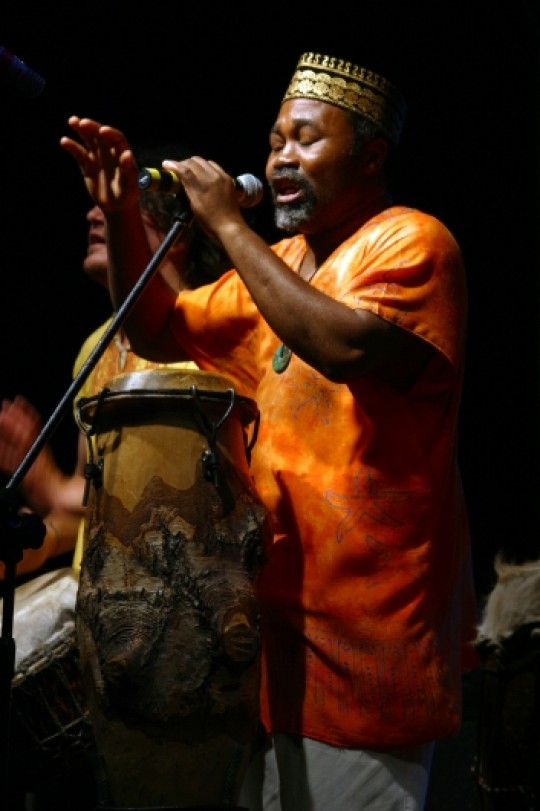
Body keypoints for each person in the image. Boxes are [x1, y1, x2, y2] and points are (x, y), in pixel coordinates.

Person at [60, 50, 479, 811]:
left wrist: (222, 220)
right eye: (276, 138)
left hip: (369, 647)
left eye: (307, 139)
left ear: (372, 157)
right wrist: (124, 213)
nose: (282, 156)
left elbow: (344, 345)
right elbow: (154, 325)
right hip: (266, 642)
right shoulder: (278, 263)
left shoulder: (415, 243)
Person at [0, 141, 231, 811]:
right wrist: (30, 538)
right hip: (101, 614)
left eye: (119, 212)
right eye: (95, 210)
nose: (95, 218)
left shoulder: (209, 333)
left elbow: (165, 508)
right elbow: (82, 511)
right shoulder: (96, 346)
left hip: (177, 626)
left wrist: (42, 480)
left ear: (178, 239)